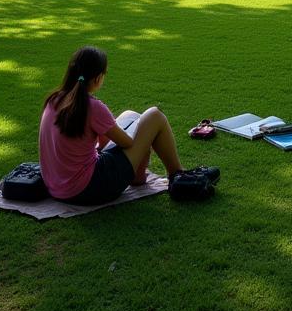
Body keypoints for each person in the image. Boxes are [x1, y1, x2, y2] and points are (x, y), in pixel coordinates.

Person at [39, 46, 218, 206]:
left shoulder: (54, 99)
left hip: (58, 187)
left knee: (129, 115)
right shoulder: (92, 107)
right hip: (88, 188)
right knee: (154, 115)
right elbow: (126, 143)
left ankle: (138, 178)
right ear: (97, 78)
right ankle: (177, 176)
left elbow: (101, 144)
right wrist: (143, 137)